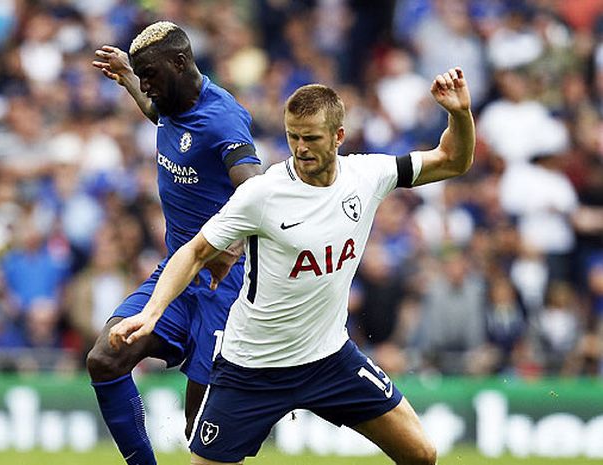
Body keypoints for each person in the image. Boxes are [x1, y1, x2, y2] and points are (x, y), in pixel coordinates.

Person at [110, 67, 475, 465]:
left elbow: (452, 161)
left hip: (329, 360)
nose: (300, 148)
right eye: (292, 137)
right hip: (252, 367)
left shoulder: (368, 175)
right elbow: (195, 251)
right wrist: (152, 312)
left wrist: (459, 113)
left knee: (422, 454)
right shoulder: (263, 194)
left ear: (338, 136)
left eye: (312, 138)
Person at [87, 21, 261, 465]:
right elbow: (158, 112)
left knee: (201, 431)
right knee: (106, 359)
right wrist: (128, 74)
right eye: (141, 76)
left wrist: (235, 243)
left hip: (227, 286)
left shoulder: (222, 118)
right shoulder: (171, 102)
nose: (146, 86)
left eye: (151, 75)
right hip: (178, 274)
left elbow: (255, 186)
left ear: (181, 63)